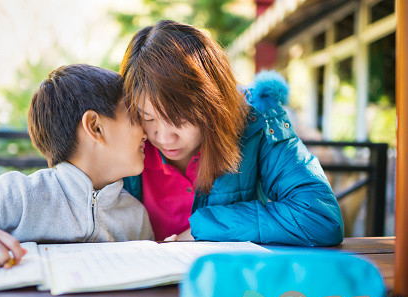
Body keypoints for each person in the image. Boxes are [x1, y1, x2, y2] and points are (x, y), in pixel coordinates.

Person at [0, 64, 153, 269]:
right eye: (134, 118)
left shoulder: (135, 216)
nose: (145, 132)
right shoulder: (19, 196)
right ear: (95, 127)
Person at [120, 20, 344, 246]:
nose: (164, 138)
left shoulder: (257, 120)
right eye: (147, 118)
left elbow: (320, 217)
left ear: (212, 102)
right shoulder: (120, 130)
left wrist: (205, 228)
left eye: (180, 119)